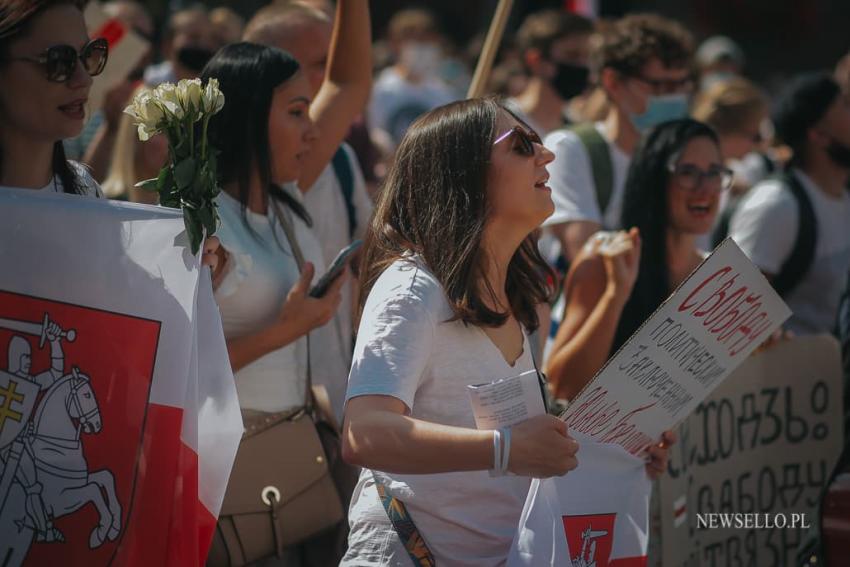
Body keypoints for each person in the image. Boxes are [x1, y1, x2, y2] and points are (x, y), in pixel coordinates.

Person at [341, 99, 670, 564]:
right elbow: (365, 433)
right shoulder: (411, 290)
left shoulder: (525, 296)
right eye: (521, 145)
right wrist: (506, 449)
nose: (546, 155)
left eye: (537, 140)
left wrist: (619, 449)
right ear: (464, 174)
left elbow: (528, 440)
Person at [0, 0, 218, 546]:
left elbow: (119, 353)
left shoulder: (84, 191)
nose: (80, 77)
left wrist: (188, 275)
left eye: (89, 55)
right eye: (55, 60)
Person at [242, 0, 372, 419]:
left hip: (328, 410)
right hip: (256, 436)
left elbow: (367, 262)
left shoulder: (337, 160)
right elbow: (348, 84)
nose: (313, 126)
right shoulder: (216, 205)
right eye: (319, 63)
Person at [545, 119, 730, 401]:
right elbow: (563, 388)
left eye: (714, 172)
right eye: (688, 172)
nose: (705, 188)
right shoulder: (604, 261)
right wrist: (615, 296)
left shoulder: (715, 278)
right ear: (653, 179)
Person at [543, 14, 695, 265]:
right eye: (660, 86)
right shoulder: (572, 150)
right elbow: (586, 261)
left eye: (681, 85)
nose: (674, 97)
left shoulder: (683, 161)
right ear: (612, 82)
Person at [729, 72, 850, 335]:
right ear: (819, 135)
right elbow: (730, 321)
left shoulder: (844, 198)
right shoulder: (776, 205)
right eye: (845, 105)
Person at [367, 8, 458, 149]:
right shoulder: (380, 90)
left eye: (426, 41)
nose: (421, 48)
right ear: (395, 44)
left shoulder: (443, 94)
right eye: (415, 41)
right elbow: (373, 132)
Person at [507, 9, 594, 137]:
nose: (583, 65)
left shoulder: (578, 129)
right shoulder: (502, 122)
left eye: (587, 56)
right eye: (572, 55)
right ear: (536, 60)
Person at [101, 85, 165, 203]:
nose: (173, 140)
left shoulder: (186, 206)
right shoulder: (105, 204)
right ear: (134, 136)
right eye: (160, 130)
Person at [144, 5, 216, 86]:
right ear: (168, 45)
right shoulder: (148, 82)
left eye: (211, 39)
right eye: (194, 37)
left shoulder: (219, 87)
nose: (204, 45)